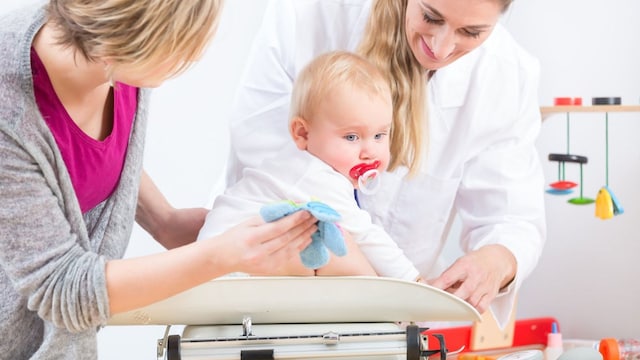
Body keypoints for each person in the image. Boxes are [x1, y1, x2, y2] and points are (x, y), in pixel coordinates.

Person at [0, 0, 318, 358]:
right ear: (128, 41)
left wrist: (164, 221)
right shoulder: (9, 107)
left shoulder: (115, 59)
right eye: (179, 47)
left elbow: (80, 159)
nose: (189, 59)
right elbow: (62, 289)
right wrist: (219, 256)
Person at [225, 0, 546, 325]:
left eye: (471, 32)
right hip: (265, 302)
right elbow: (273, 162)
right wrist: (403, 289)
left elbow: (512, 217)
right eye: (430, 16)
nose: (441, 46)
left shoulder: (506, 73)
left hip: (388, 323)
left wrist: (495, 261)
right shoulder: (310, 13)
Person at [198, 50, 422, 281]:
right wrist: (415, 281)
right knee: (345, 251)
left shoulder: (302, 167)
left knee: (334, 248)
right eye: (352, 137)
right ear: (303, 133)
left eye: (380, 135)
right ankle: (386, 307)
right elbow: (366, 235)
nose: (369, 152)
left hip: (225, 267)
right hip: (227, 271)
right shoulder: (314, 174)